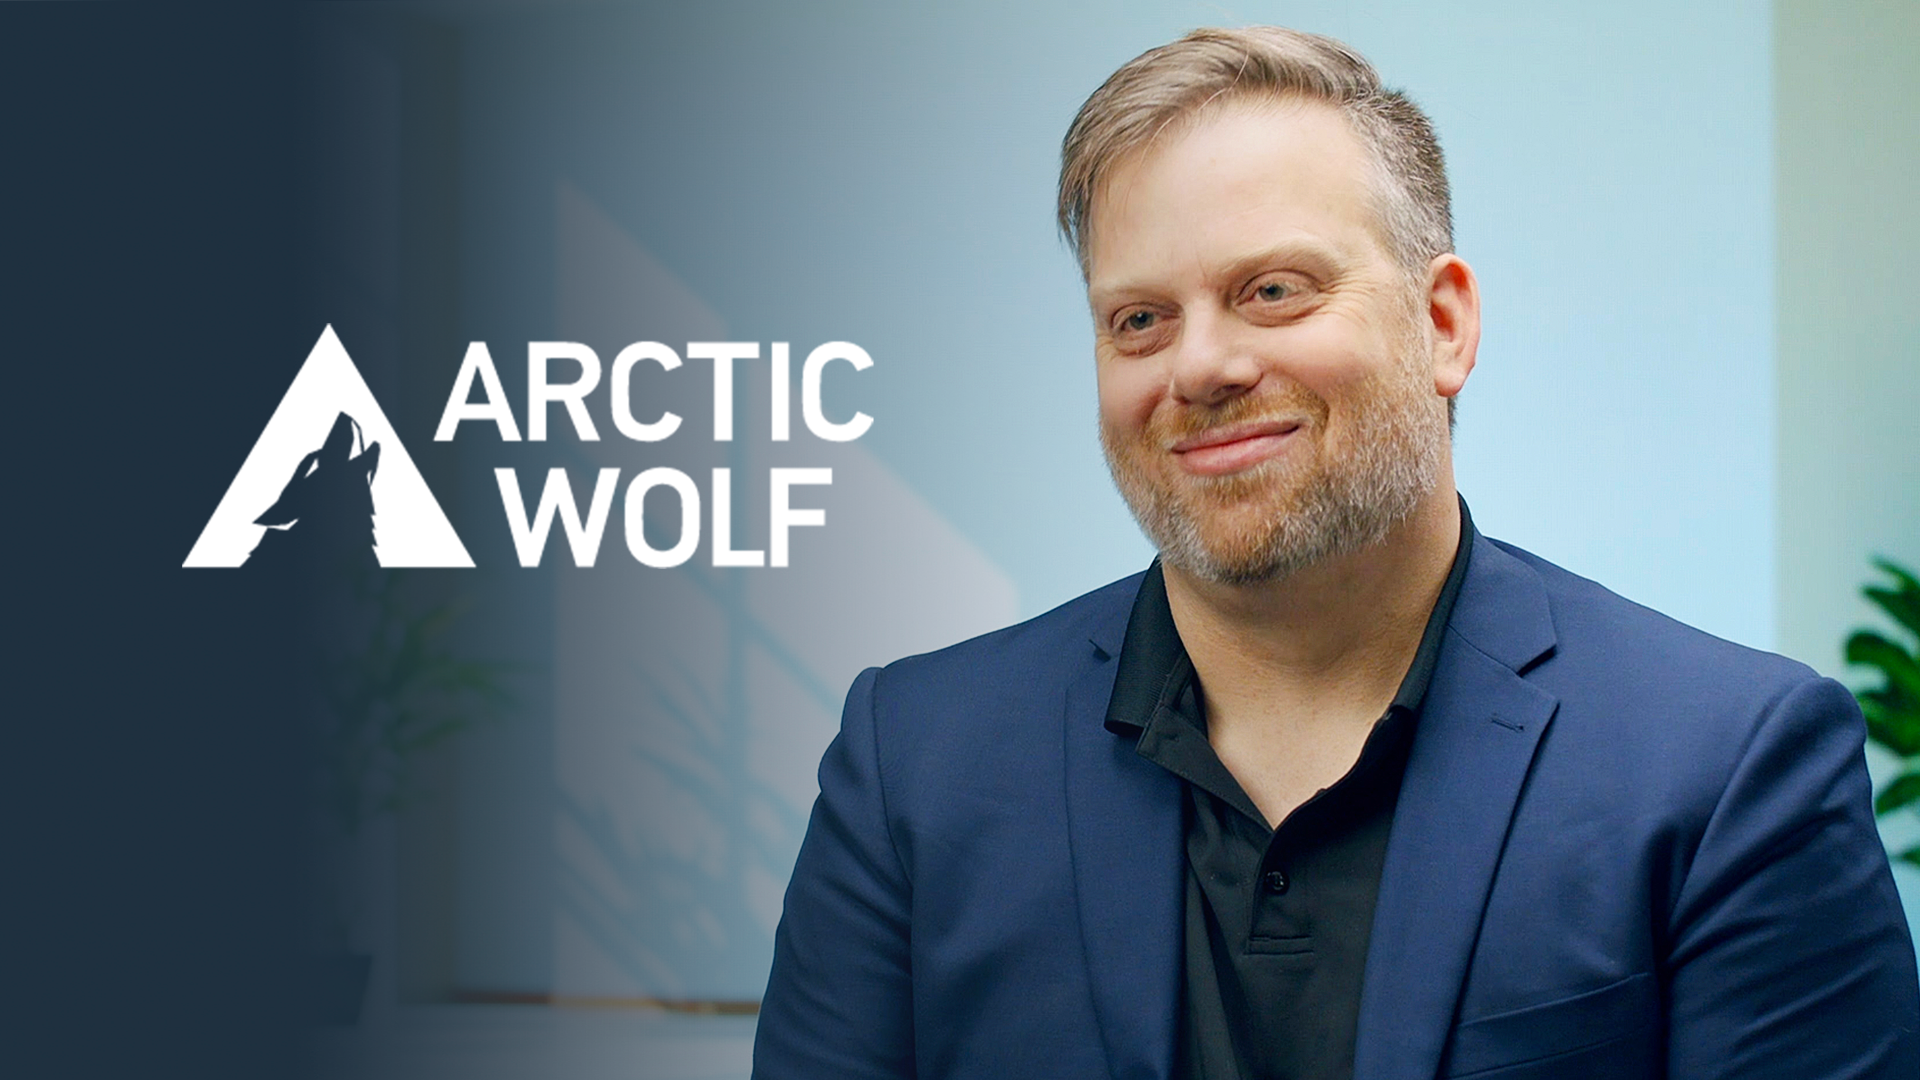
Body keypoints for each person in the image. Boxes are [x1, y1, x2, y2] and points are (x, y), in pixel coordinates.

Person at [752, 25, 1920, 1080]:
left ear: (1444, 324)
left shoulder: (1726, 770)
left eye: (1272, 290)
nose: (1198, 366)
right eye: (1139, 319)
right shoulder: (913, 764)